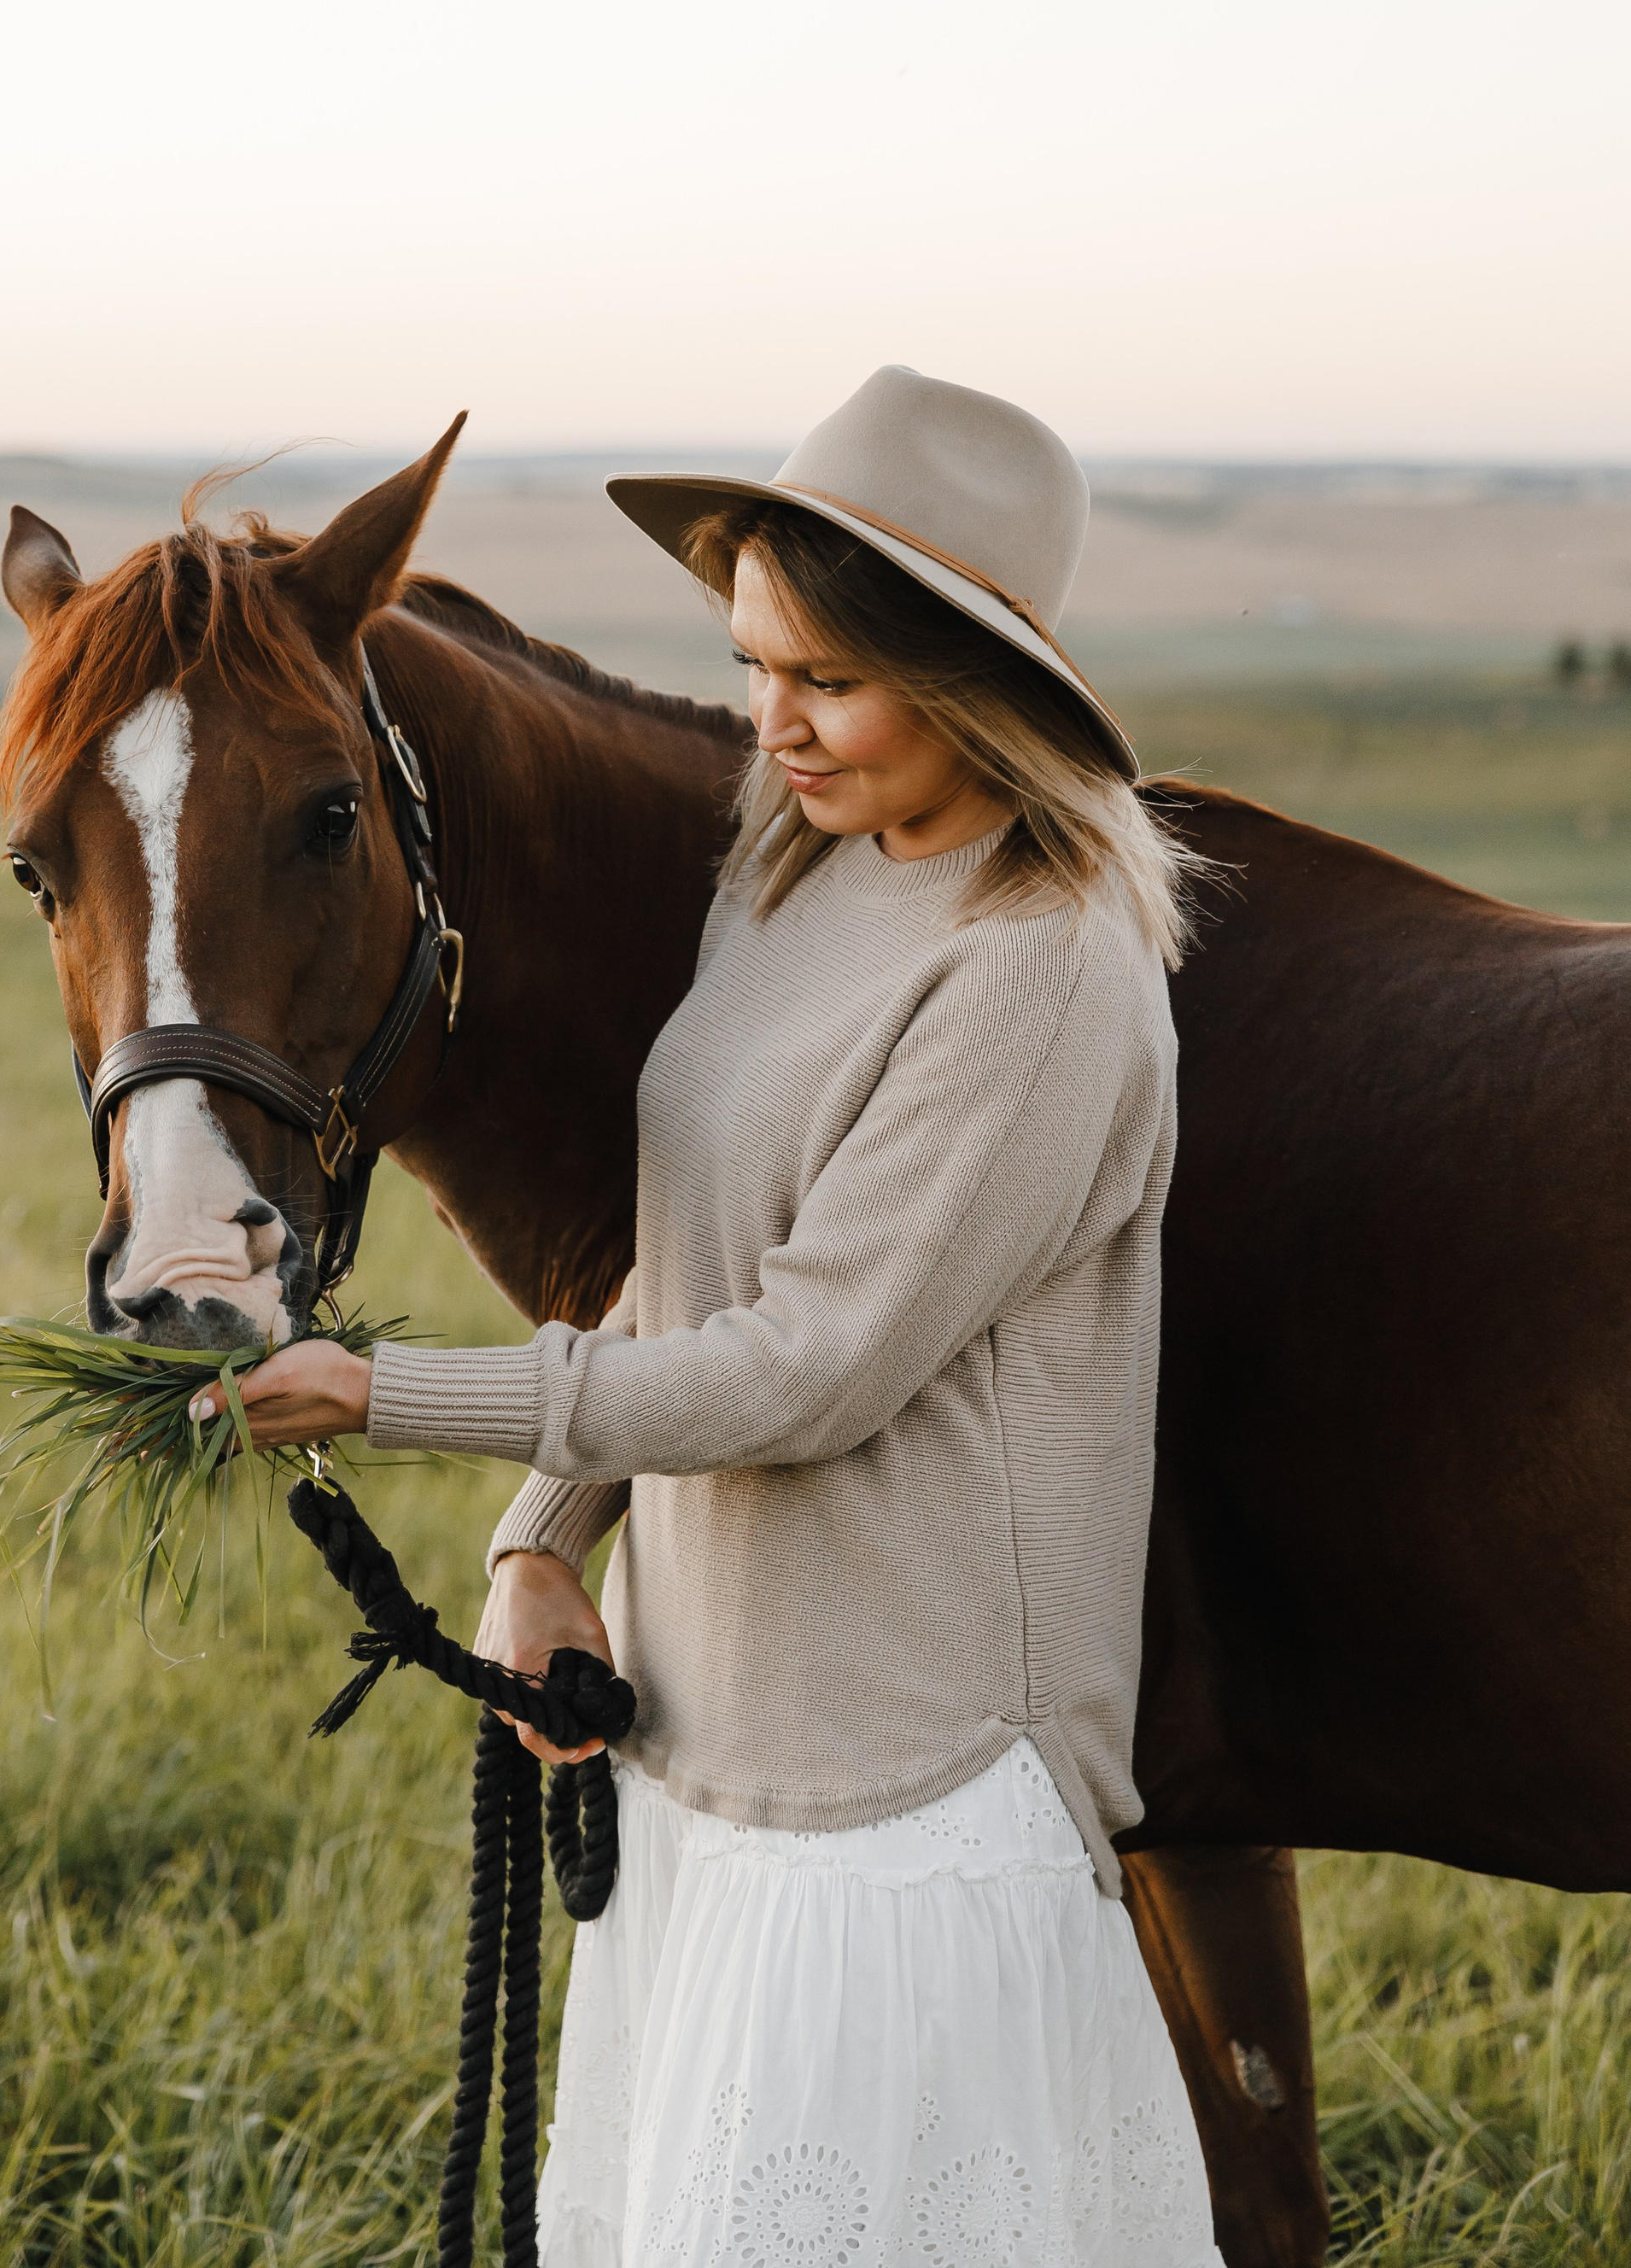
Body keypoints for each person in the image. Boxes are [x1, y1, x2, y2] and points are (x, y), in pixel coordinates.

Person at [218, 365, 1223, 2268]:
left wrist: (384, 1395)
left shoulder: (1041, 967)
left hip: (902, 1806)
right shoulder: (789, 868)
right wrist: (540, 1543)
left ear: (977, 681)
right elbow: (684, 1265)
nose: (771, 723)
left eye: (827, 681)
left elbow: (805, 1366)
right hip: (704, 1755)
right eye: (752, 664)